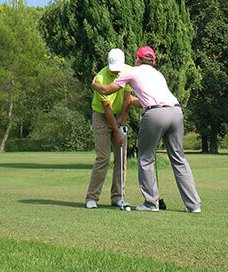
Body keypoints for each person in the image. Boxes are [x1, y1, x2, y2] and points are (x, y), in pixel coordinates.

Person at [91, 46, 202, 213]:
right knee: (179, 160)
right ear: (153, 61)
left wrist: (94, 84)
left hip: (155, 114)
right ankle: (193, 205)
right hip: (176, 112)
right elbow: (138, 100)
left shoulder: (132, 72)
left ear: (137, 59)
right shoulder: (158, 74)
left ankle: (151, 203)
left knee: (145, 158)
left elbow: (107, 90)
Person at [85, 48, 133, 210]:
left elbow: (127, 99)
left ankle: (118, 197)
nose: (116, 71)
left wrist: (123, 125)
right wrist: (117, 131)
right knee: (103, 157)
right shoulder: (101, 77)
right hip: (101, 116)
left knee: (121, 158)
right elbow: (107, 109)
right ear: (107, 63)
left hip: (120, 115)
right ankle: (92, 198)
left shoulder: (128, 71)